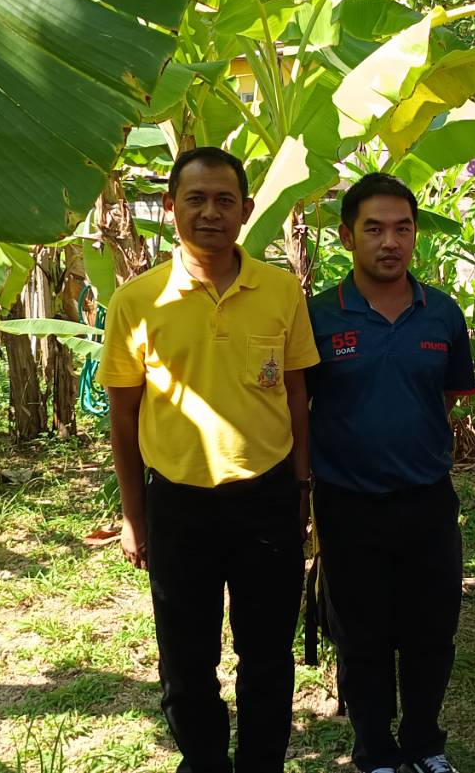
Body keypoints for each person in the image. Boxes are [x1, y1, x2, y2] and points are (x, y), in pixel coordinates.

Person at [99, 146, 319, 773]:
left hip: (267, 499)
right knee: (186, 660)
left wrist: (301, 489)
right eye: (195, 199)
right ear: (171, 208)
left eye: (225, 200)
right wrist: (133, 516)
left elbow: (298, 397)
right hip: (178, 503)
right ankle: (203, 762)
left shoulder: (280, 290)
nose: (211, 213)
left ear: (246, 210)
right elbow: (124, 417)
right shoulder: (138, 301)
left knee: (267, 655)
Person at [304, 173, 475, 773]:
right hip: (347, 503)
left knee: (432, 632)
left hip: (427, 501)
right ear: (347, 236)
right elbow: (301, 404)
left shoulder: (442, 314)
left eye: (402, 229)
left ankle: (425, 743)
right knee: (362, 635)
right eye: (374, 229)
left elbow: (446, 397)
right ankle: (375, 750)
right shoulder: (319, 315)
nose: (390, 242)